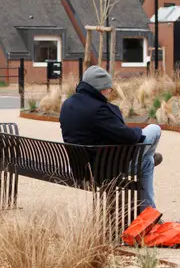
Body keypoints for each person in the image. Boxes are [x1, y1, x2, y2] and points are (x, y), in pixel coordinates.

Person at [59, 65, 162, 211]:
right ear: (101, 89)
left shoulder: (68, 104)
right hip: (102, 170)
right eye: (109, 88)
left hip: (79, 167)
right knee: (154, 129)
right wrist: (137, 130)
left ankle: (146, 164)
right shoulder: (99, 110)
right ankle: (148, 211)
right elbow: (130, 138)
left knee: (147, 163)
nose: (110, 92)